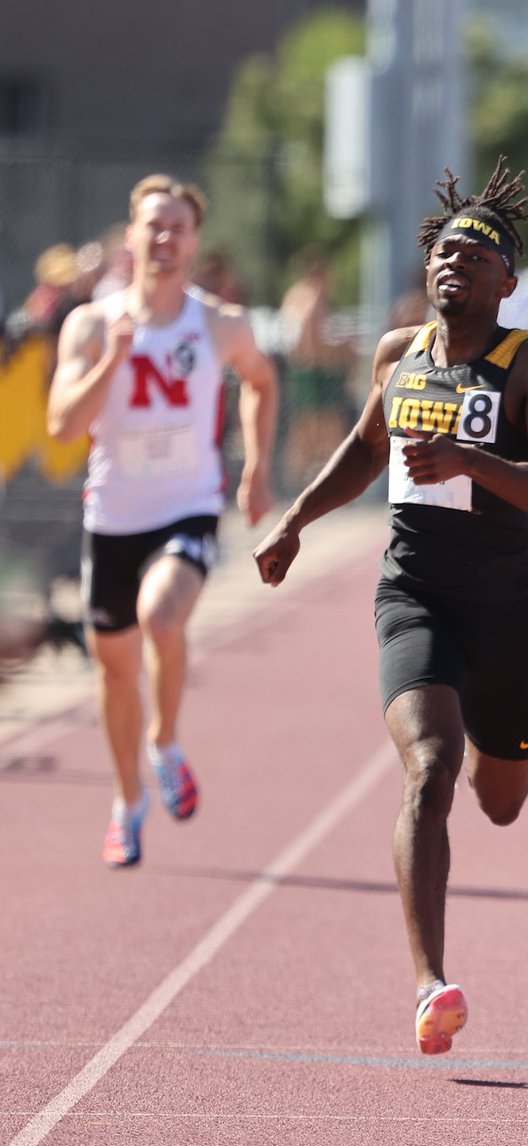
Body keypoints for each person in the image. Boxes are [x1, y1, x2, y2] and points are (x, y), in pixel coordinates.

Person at [252, 159, 528, 1056]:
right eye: (444, 249)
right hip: (416, 594)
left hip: (508, 606)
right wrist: (294, 521)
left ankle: (499, 748)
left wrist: (472, 463)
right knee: (429, 770)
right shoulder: (398, 354)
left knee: (501, 800)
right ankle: (433, 982)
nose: (455, 263)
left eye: (477, 256)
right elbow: (365, 451)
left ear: (507, 282)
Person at [46, 174, 277, 868]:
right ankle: (127, 802)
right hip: (114, 513)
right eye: (155, 225)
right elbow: (62, 427)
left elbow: (262, 382)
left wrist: (257, 465)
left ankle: (166, 743)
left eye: (178, 227)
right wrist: (114, 357)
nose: (166, 238)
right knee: (115, 672)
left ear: (194, 240)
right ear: (133, 233)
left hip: (188, 505)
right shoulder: (92, 323)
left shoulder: (219, 323)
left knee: (162, 617)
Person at [278, 247, 356, 490]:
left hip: (300, 372)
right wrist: (343, 349)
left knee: (302, 430)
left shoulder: (293, 296)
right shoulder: (313, 300)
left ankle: (293, 483)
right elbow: (314, 344)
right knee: (329, 428)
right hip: (317, 373)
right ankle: (336, 484)